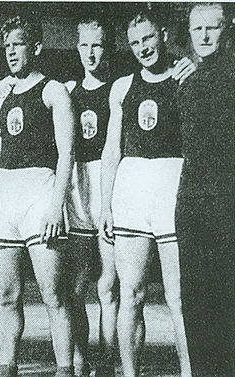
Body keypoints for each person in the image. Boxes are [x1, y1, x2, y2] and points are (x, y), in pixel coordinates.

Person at [0, 15, 76, 377]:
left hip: (40, 193)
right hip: (4, 195)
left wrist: (56, 206)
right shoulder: (3, 97)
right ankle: (7, 368)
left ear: (35, 47)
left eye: (18, 44)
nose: (11, 52)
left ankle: (65, 369)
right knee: (6, 296)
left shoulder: (53, 91)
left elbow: (67, 154)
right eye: (7, 46)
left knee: (54, 295)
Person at [99, 10, 192, 377]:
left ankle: (189, 372)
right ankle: (130, 373)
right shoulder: (122, 87)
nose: (142, 48)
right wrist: (106, 205)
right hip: (132, 187)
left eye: (148, 39)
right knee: (131, 292)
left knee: (177, 298)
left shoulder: (186, 78)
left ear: (164, 36)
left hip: (171, 184)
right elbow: (111, 151)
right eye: (135, 42)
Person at [176, 3, 234, 376]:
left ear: (227, 29)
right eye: (197, 29)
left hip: (227, 201)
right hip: (193, 203)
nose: (205, 36)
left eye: (212, 28)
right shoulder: (187, 76)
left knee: (227, 301)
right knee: (196, 304)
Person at [64, 18, 118, 377]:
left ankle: (109, 365)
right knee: (77, 286)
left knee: (109, 287)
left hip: (109, 185)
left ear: (108, 47)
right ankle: (81, 363)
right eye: (84, 46)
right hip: (77, 188)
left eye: (96, 45)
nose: (90, 53)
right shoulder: (66, 90)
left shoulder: (119, 89)